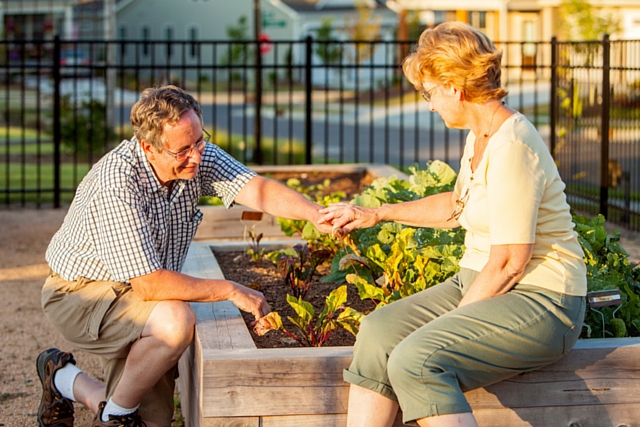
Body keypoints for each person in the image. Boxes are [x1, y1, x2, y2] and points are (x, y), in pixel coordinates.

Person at [318, 22, 587, 427]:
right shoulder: (480, 134)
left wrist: (450, 325)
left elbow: (511, 261)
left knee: (416, 360)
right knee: (377, 333)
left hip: (542, 301)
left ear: (453, 87)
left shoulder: (512, 145)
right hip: (480, 280)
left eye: (429, 92)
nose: (428, 104)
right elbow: (458, 206)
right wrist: (375, 213)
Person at [36, 85, 334, 427]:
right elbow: (149, 285)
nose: (196, 155)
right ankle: (114, 417)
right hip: (80, 292)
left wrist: (315, 214)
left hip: (136, 292)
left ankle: (62, 379)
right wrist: (231, 290)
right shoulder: (117, 185)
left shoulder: (193, 154)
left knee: (152, 420)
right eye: (182, 150)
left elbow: (253, 187)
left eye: (199, 140)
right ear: (149, 147)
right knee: (175, 322)